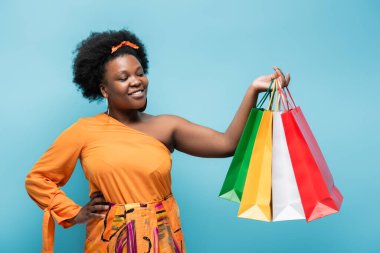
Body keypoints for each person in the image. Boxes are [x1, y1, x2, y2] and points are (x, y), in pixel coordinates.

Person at [25, 29, 290, 253]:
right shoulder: (84, 131)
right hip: (108, 242)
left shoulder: (167, 126)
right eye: (123, 77)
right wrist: (74, 212)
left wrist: (253, 90)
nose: (136, 82)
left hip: (163, 238)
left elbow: (227, 144)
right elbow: (38, 179)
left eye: (139, 73)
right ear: (104, 89)